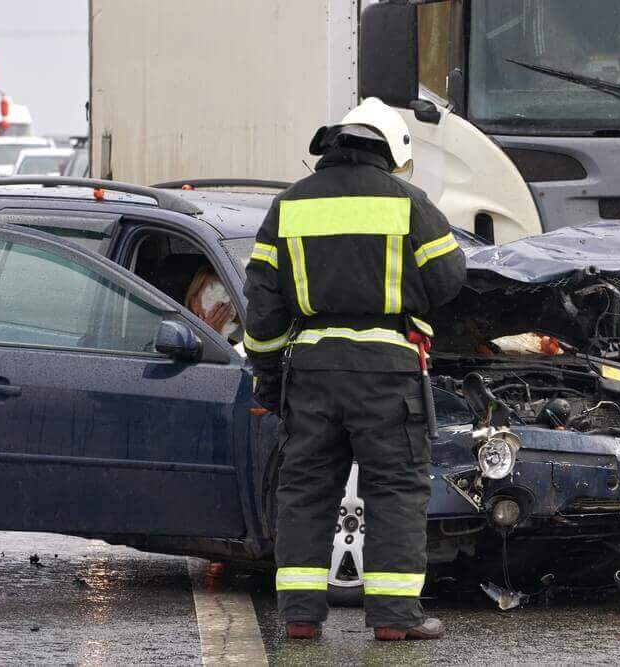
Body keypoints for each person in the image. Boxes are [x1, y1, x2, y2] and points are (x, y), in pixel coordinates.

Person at [243, 98, 466, 641]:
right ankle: (393, 620)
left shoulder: (288, 206)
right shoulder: (409, 202)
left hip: (313, 373)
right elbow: (449, 279)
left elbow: (264, 308)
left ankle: (299, 618)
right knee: (394, 489)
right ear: (390, 150)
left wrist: (270, 374)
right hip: (388, 372)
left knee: (304, 490)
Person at [184, 264, 240, 341]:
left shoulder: (244, 337)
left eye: (227, 293)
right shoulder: (185, 339)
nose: (223, 302)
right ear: (195, 304)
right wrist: (210, 335)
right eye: (212, 295)